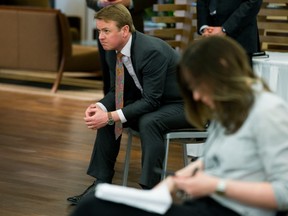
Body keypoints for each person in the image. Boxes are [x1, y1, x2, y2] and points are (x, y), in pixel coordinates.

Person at [70, 36, 288, 216]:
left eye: (198, 85)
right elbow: (212, 161)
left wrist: (215, 186)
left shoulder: (267, 112)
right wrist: (170, 184)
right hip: (209, 204)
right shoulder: (227, 109)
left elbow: (284, 194)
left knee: (94, 209)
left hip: (233, 210)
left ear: (223, 71)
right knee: (94, 206)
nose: (196, 95)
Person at [67, 4, 192, 205]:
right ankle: (101, 184)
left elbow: (151, 100)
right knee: (108, 114)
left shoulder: (151, 51)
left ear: (125, 30)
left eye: (106, 31)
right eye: (99, 31)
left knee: (149, 121)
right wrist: (100, 108)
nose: (101, 37)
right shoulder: (112, 50)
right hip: (157, 102)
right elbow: (117, 92)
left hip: (185, 105)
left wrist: (111, 116)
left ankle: (152, 192)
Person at [86, 0, 157, 94]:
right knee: (109, 73)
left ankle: (131, 105)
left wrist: (130, 2)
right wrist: (100, 2)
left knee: (132, 74)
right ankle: (109, 106)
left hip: (132, 23)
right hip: (104, 22)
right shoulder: (103, 34)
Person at [197, 0, 262, 65]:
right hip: (210, 40)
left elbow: (253, 2)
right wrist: (205, 27)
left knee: (238, 74)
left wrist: (225, 28)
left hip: (239, 39)